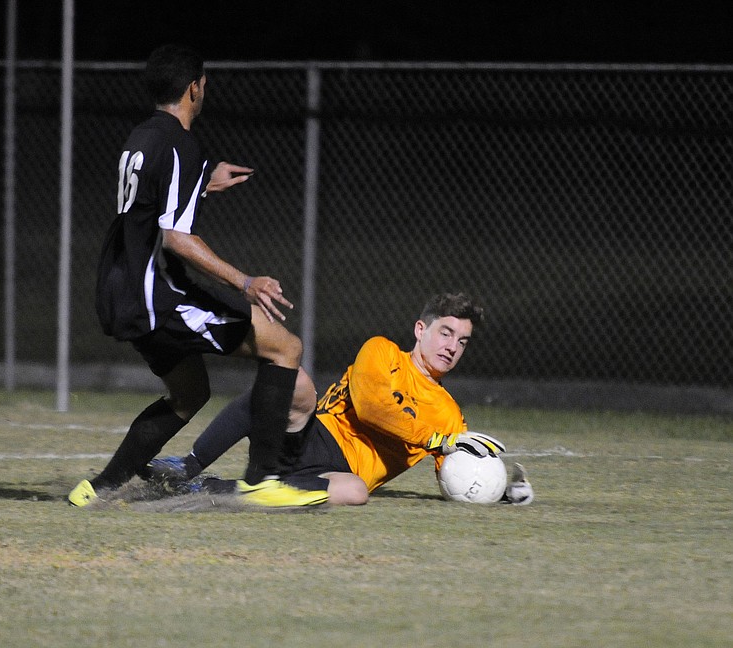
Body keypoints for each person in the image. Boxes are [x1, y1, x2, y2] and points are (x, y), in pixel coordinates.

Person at [68, 44, 327, 508]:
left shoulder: (142, 137)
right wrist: (245, 282)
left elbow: (152, 199)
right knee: (285, 347)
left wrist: (204, 177)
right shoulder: (181, 143)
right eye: (203, 83)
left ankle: (100, 488)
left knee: (190, 393)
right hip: (157, 293)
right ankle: (264, 481)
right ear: (194, 87)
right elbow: (174, 236)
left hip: (119, 289)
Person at [149, 292, 534, 505]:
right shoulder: (380, 352)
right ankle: (190, 466)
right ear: (420, 330)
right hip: (311, 436)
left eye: (462, 341)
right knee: (295, 382)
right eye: (446, 333)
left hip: (339, 473)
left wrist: (500, 489)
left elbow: (456, 475)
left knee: (356, 492)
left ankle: (218, 490)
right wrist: (435, 440)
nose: (452, 347)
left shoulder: (449, 415)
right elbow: (370, 407)